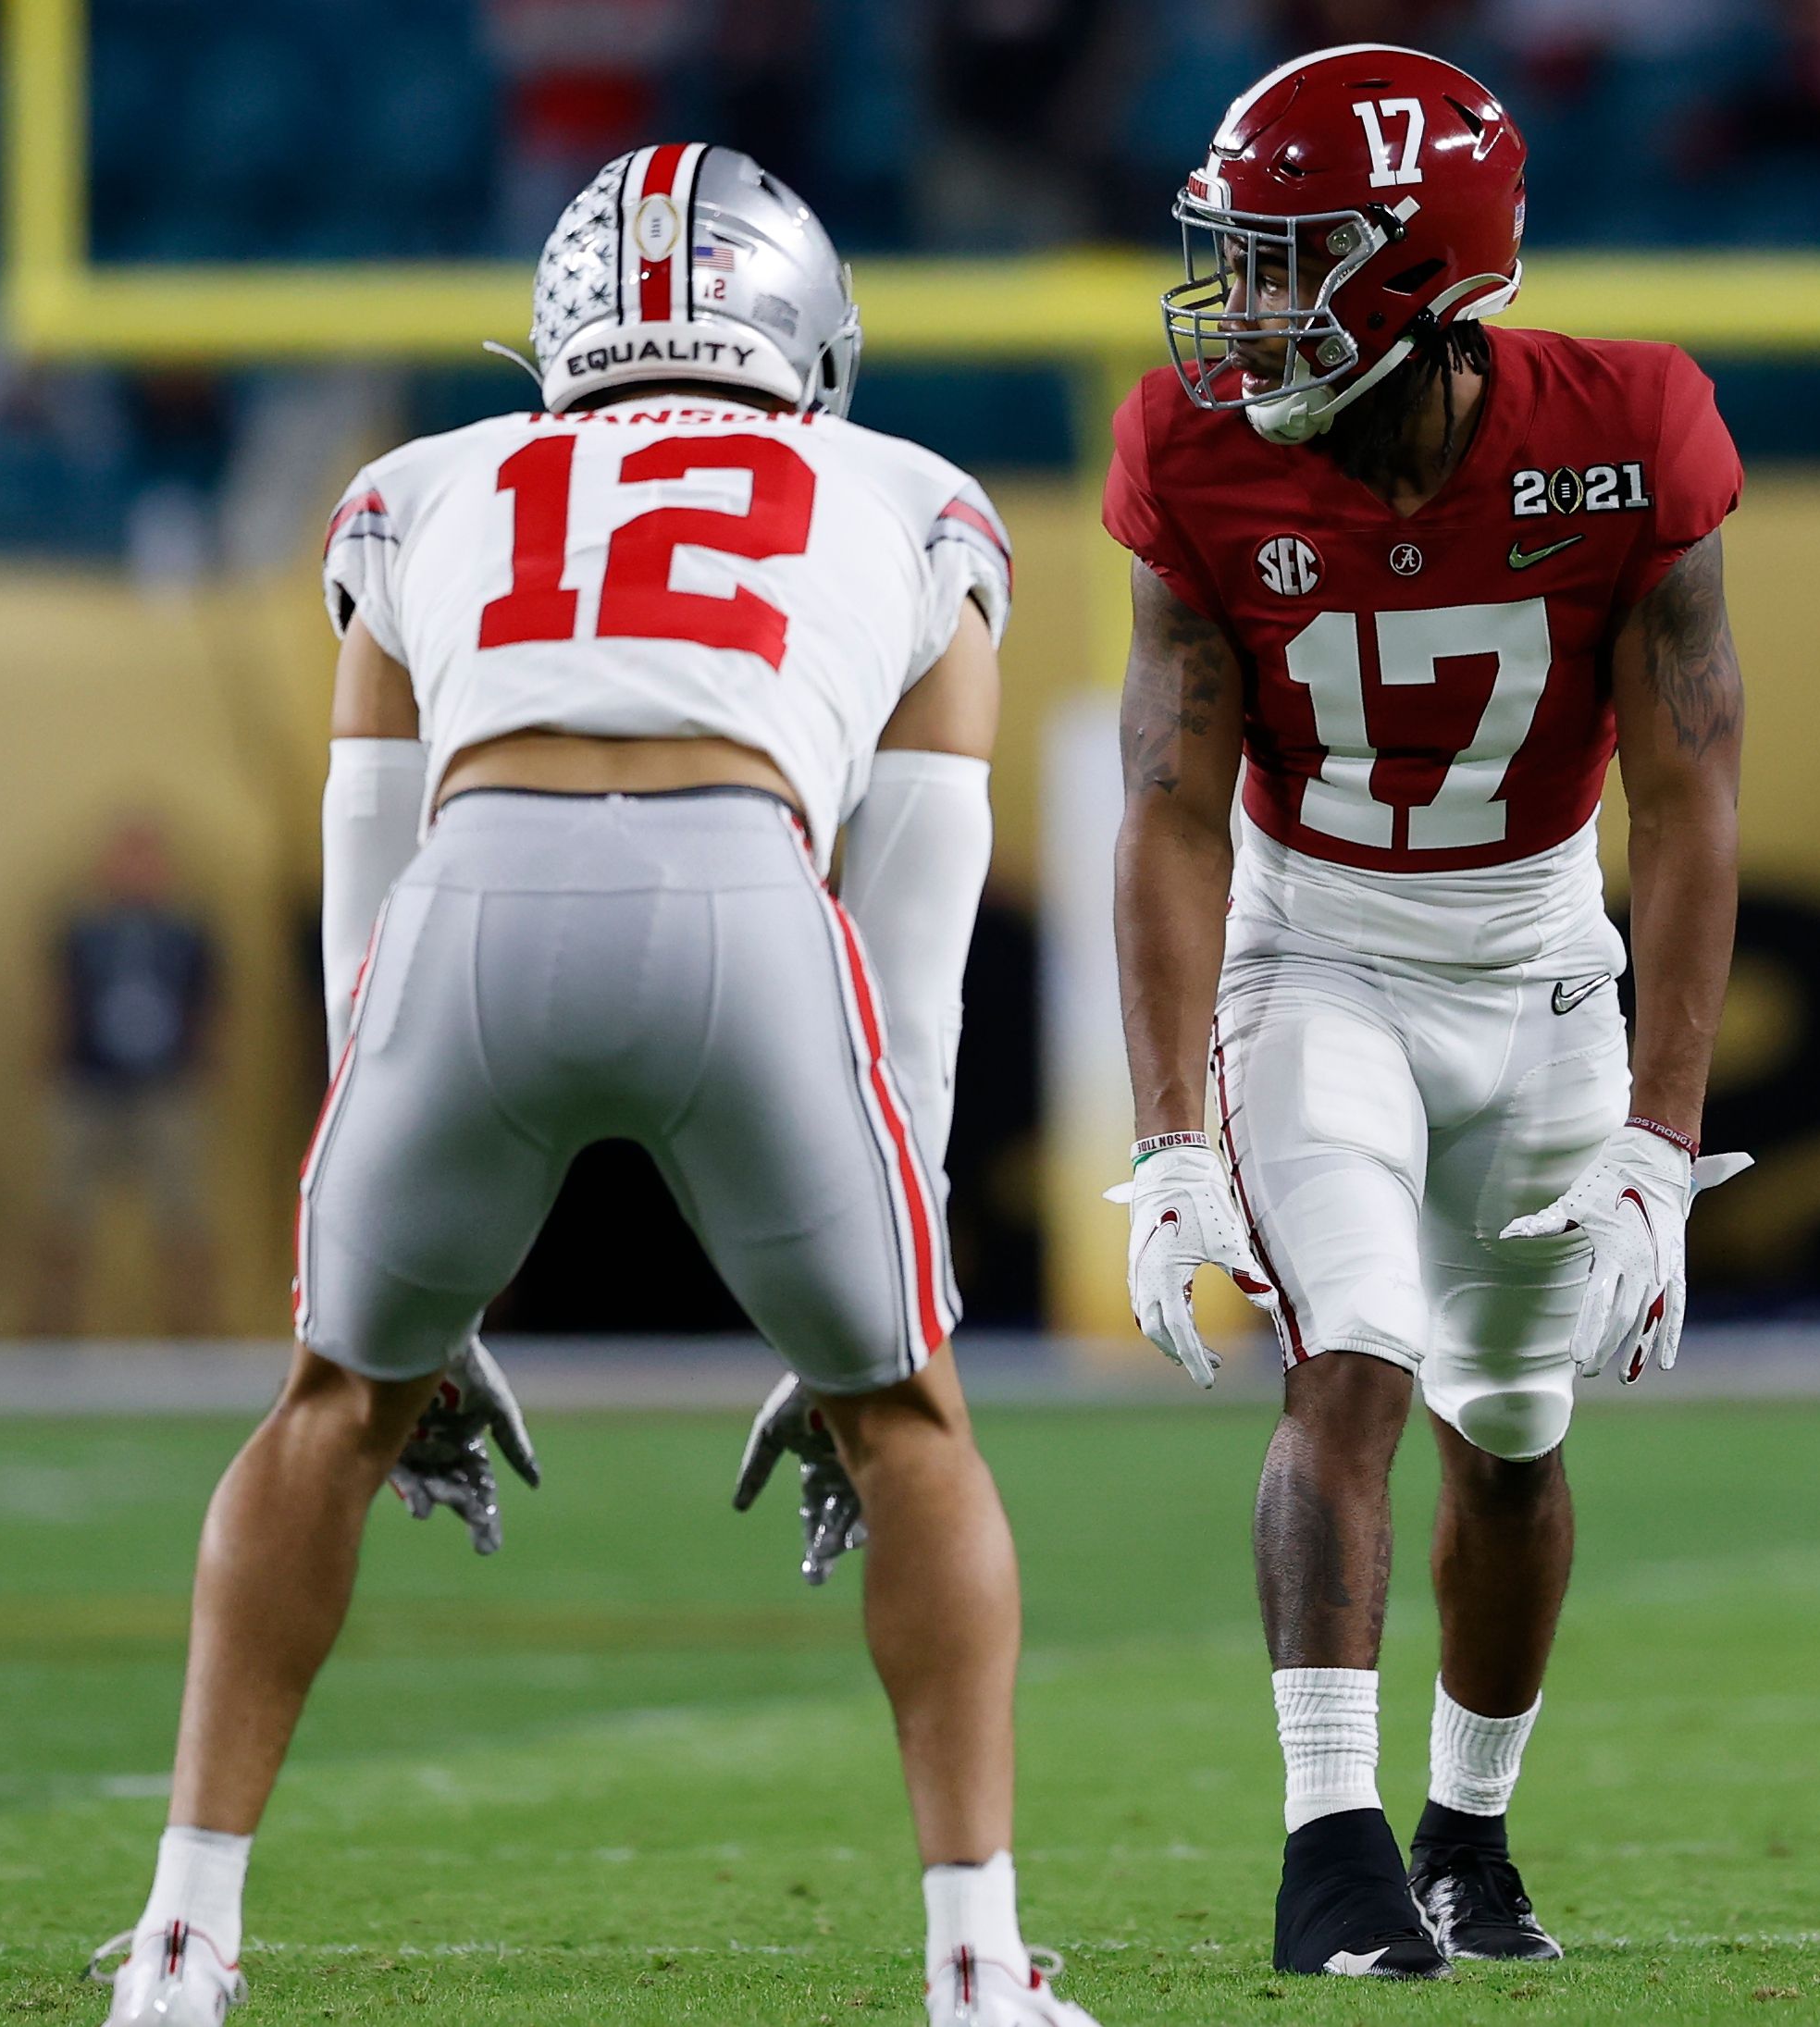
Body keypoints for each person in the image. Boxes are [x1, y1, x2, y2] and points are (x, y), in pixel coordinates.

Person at [93, 144, 1093, 2027]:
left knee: (321, 1412)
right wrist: (884, 1305)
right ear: (801, 330)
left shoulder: (417, 488)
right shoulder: (912, 499)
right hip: (744, 881)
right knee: (916, 1432)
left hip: (474, 903)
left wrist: (400, 1286)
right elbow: (916, 937)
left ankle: (182, 1939)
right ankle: (974, 1965)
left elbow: (367, 882)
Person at [1107, 44, 1750, 1980]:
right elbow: (1163, 800)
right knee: (1353, 1360)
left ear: (1417, 275)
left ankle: (1465, 1836)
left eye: (1289, 263)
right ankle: (1330, 1853)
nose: (1247, 309)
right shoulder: (1198, 453)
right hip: (1320, 953)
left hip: (1541, 954)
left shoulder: (1627, 431)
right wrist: (1163, 1139)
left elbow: (1695, 790)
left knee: (1518, 1429)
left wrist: (1656, 1130)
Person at [33, 813, 223, 1339]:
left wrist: (202, 1066)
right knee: (64, 1213)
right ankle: (50, 1336)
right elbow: (59, 1000)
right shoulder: (82, 931)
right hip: (89, 1084)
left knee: (183, 1215)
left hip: (167, 1087)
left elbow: (209, 1005)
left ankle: (195, 1335)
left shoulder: (186, 934)